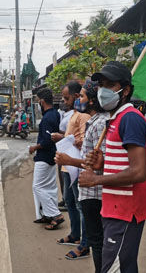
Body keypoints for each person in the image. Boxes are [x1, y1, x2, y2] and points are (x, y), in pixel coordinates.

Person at [80, 61, 146, 273]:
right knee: (123, 266)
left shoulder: (130, 119)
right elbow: (123, 164)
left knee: (115, 268)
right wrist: (102, 164)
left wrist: (95, 179)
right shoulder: (116, 118)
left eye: (110, 85)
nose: (103, 90)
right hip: (114, 208)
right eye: (101, 84)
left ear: (126, 90)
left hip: (126, 210)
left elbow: (139, 172)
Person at [55, 79, 108, 268]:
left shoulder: (99, 122)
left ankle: (85, 246)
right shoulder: (92, 120)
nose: (79, 100)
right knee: (97, 241)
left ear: (92, 100)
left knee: (98, 243)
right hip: (87, 186)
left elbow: (97, 162)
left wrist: (69, 160)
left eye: (82, 96)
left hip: (94, 190)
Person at [51, 81, 91, 258]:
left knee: (80, 204)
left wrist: (64, 138)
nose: (64, 101)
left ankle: (85, 243)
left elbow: (84, 140)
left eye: (67, 98)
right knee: (69, 200)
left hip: (75, 164)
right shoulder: (73, 114)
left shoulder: (84, 117)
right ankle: (75, 234)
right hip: (68, 166)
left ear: (77, 97)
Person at [29, 88, 65, 229]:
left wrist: (34, 148)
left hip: (44, 157)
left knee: (37, 187)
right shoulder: (55, 114)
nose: (38, 103)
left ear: (42, 101)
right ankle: (47, 214)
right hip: (51, 156)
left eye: (38, 101)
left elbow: (47, 141)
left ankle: (55, 215)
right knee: (49, 187)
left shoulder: (48, 118)